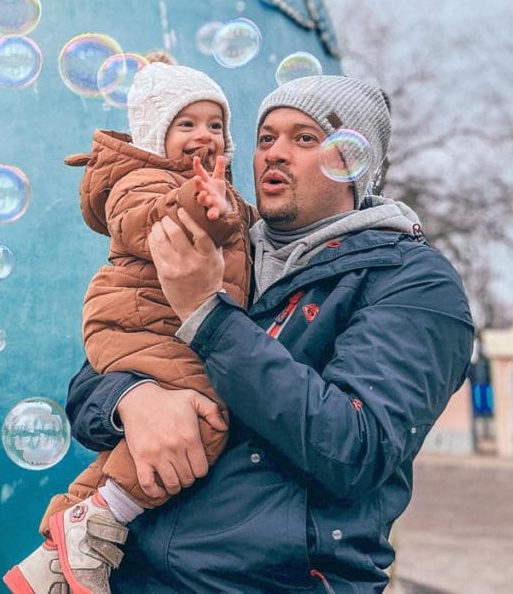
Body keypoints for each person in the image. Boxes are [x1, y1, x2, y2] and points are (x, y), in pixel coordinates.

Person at [59, 75, 474, 592]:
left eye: (304, 138)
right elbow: (97, 374)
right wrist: (131, 396)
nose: (274, 153)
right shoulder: (225, 244)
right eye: (264, 138)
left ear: (351, 161)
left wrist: (208, 317)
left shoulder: (413, 281)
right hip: (138, 575)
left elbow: (356, 449)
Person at [6, 55, 255, 594]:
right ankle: (99, 520)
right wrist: (201, 200)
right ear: (155, 134)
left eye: (216, 125)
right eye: (186, 124)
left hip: (165, 325)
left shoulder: (223, 195)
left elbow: (243, 236)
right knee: (206, 420)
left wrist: (230, 208)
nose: (204, 136)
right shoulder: (139, 181)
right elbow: (154, 222)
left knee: (144, 443)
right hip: (137, 321)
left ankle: (60, 550)